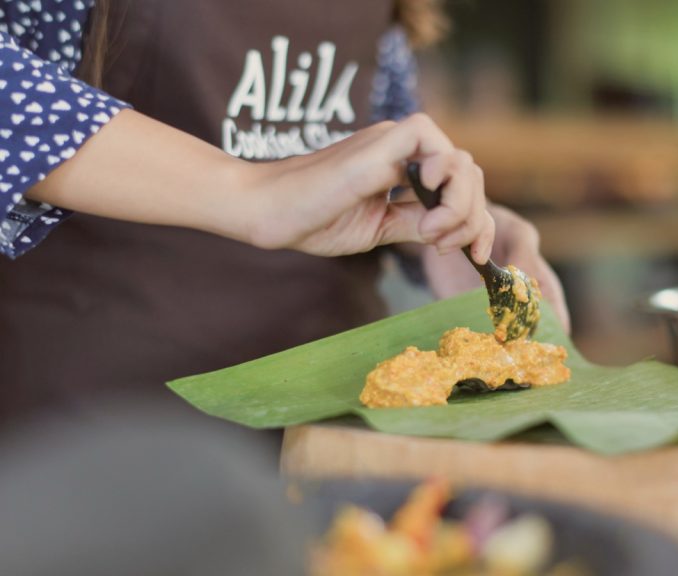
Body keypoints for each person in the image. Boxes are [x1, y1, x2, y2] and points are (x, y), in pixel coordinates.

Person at [0, 0, 570, 426]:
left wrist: (442, 227)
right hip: (98, 426)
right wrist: (249, 190)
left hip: (331, 420)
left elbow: (387, 129)